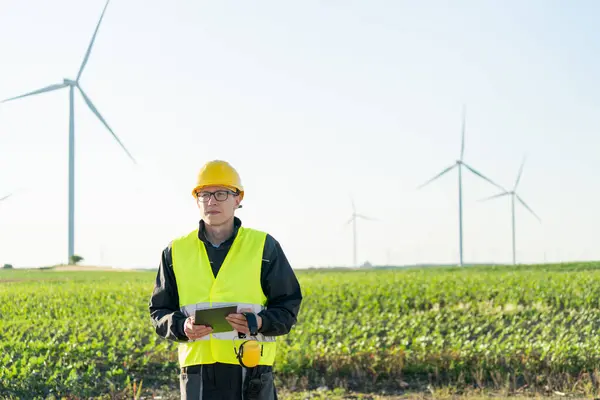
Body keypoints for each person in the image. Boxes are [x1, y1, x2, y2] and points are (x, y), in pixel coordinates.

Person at [148, 160, 303, 400]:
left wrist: (260, 322)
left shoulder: (264, 247)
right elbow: (159, 311)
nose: (211, 201)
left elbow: (288, 305)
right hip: (197, 373)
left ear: (238, 199)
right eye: (204, 194)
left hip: (251, 371)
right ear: (196, 200)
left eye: (221, 193)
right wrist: (182, 326)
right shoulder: (174, 251)